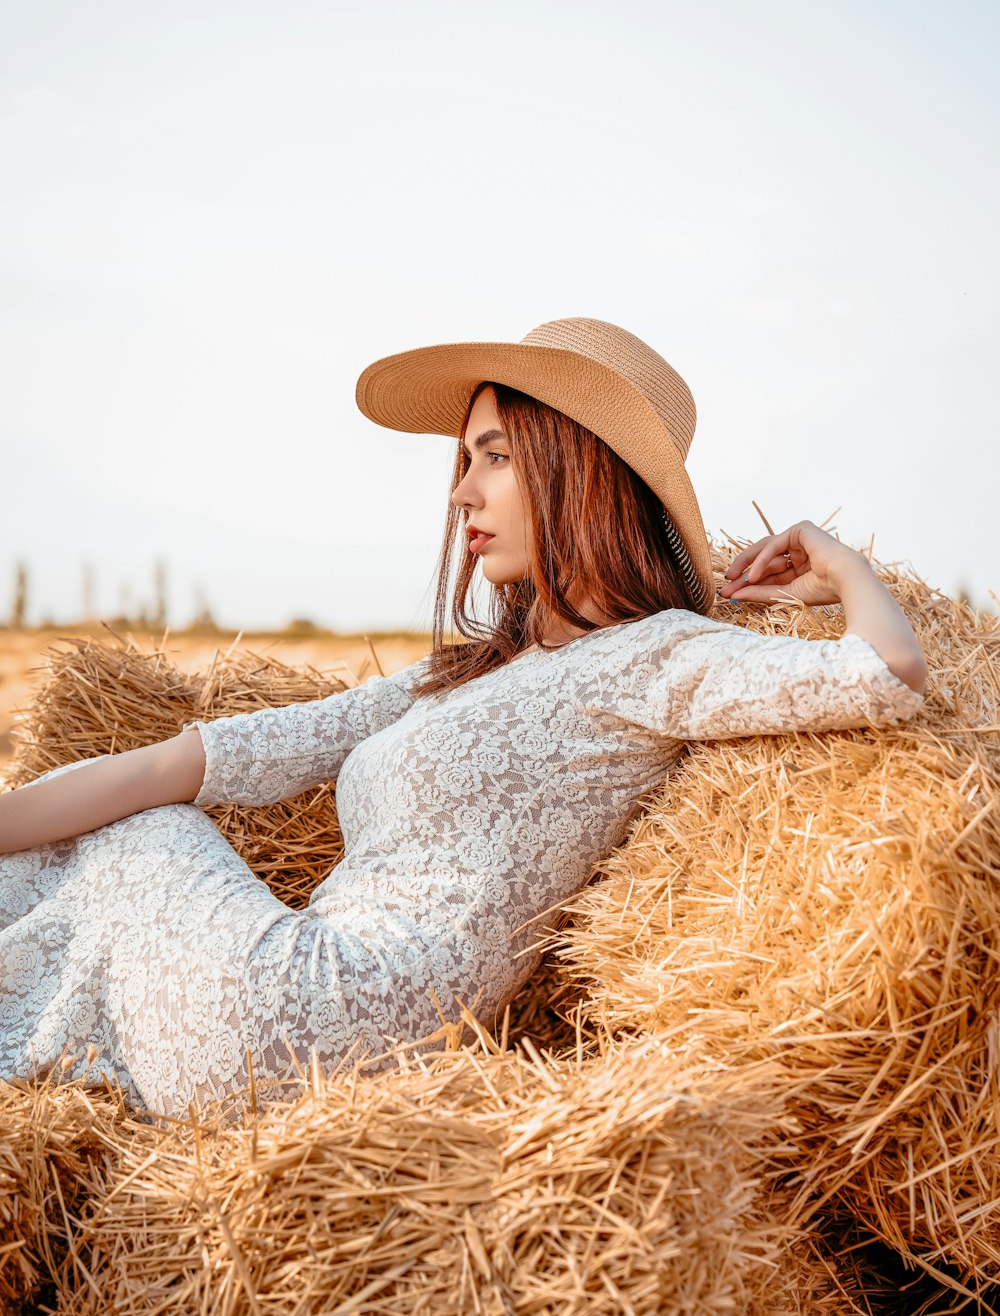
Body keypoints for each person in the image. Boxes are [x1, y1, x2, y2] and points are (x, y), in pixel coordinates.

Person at [0, 319, 927, 1116]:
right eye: (465, 461)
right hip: (310, 1024)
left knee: (147, 832)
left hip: (327, 1025)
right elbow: (211, 753)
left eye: (495, 457)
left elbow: (885, 676)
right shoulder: (459, 676)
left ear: (581, 470)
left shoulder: (656, 653)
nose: (462, 494)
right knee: (138, 812)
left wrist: (839, 563)